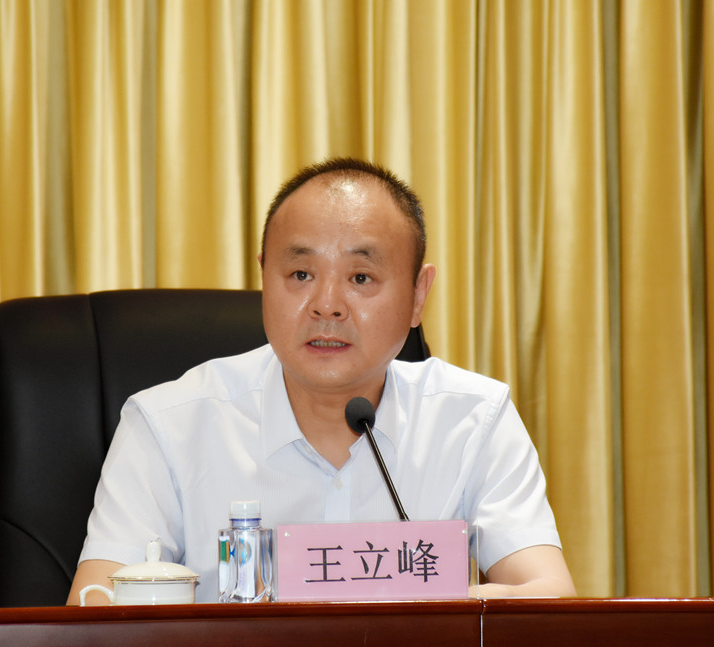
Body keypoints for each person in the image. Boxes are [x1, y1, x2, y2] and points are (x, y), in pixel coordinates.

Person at [68, 158, 575, 604]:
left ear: (418, 295)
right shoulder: (167, 426)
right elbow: (94, 612)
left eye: (360, 277)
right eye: (301, 275)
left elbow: (548, 599)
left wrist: (428, 609)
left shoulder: (474, 419)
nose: (327, 305)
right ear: (264, 277)